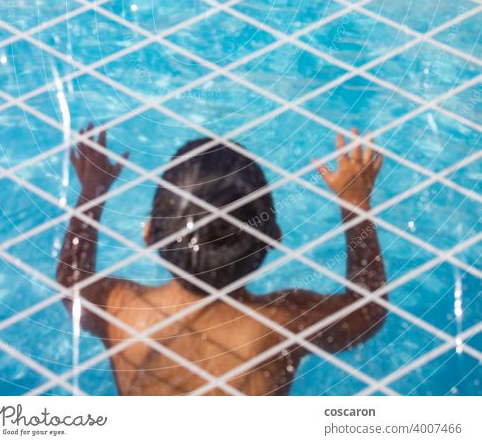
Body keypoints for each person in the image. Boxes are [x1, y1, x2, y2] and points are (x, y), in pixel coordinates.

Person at [57, 126, 387, 396]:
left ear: (148, 234)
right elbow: (367, 313)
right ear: (274, 238)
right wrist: (355, 205)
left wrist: (91, 194)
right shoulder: (282, 325)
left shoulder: (120, 311)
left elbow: (71, 280)